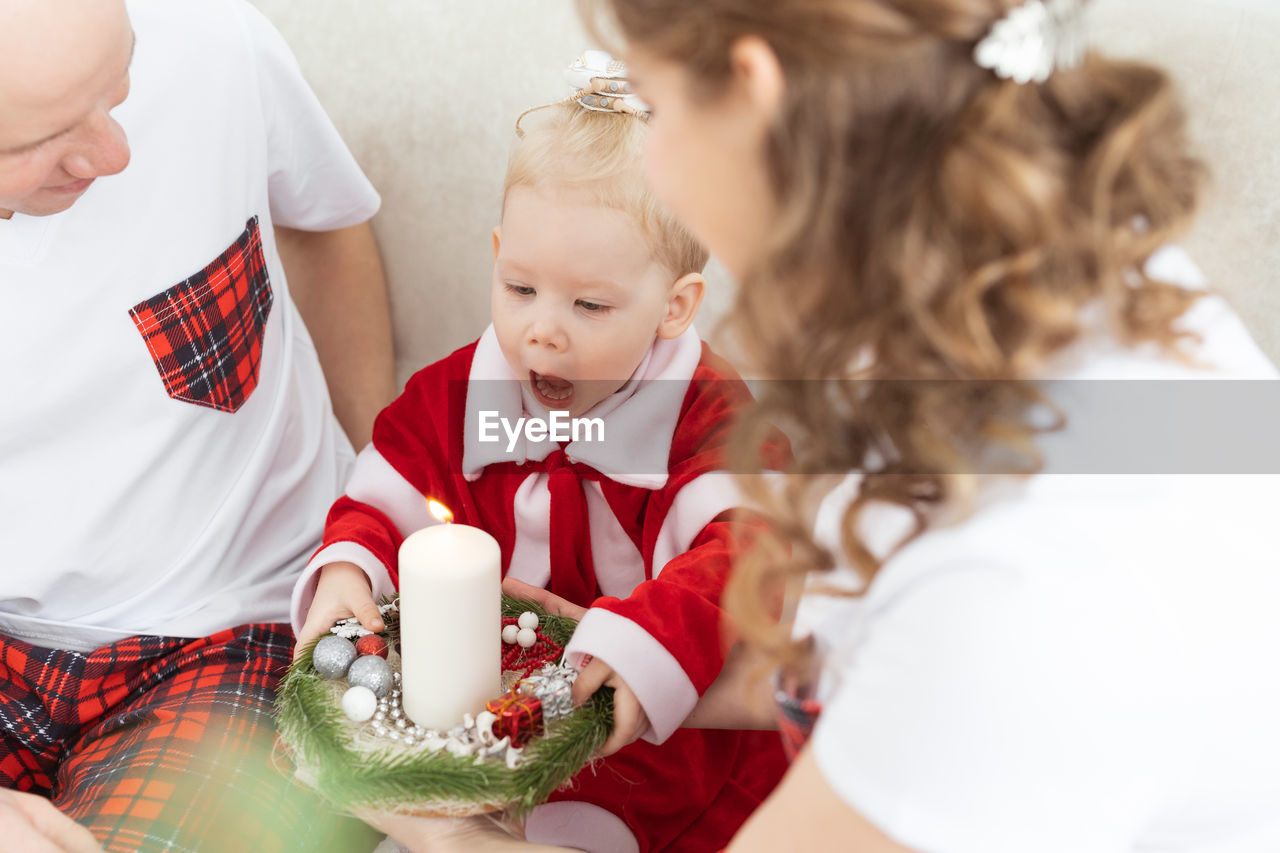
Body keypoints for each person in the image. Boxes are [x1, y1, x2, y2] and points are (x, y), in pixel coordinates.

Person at [379, 1, 1280, 851]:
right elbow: (842, 668)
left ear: (751, 87)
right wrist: (626, 668)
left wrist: (438, 827)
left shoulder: (1017, 586)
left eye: (651, 103)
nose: (646, 159)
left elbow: (933, 673)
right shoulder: (1052, 286)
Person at [292, 53, 788, 853]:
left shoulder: (707, 419)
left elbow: (745, 553)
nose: (541, 329)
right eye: (519, 288)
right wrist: (350, 569)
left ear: (674, 307)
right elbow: (381, 496)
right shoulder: (457, 394)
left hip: (645, 739)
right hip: (471, 707)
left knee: (583, 825)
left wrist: (634, 643)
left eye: (589, 305)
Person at [0, 0, 394, 849]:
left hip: (239, 632)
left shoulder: (212, 37)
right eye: (29, 144)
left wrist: (377, 499)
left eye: (120, 82)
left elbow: (326, 227)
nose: (116, 153)